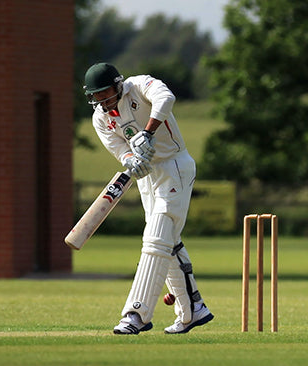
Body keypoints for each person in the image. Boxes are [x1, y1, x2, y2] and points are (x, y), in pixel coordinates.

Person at [83, 62, 213, 334]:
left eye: (105, 93)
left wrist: (148, 132)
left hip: (174, 166)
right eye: (97, 96)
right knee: (167, 242)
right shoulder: (100, 118)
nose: (102, 100)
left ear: (118, 85)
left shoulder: (139, 85)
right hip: (147, 178)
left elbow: (166, 98)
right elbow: (119, 149)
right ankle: (193, 309)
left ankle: (136, 314)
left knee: (155, 239)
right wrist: (131, 159)